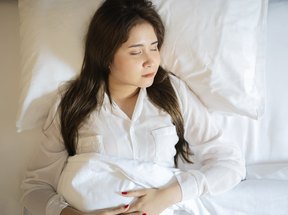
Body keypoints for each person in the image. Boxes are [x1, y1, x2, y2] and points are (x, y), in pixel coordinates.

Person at [21, 0, 246, 214]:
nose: (151, 61)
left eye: (154, 47)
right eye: (136, 52)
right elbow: (35, 186)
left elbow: (230, 163)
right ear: (106, 56)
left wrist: (168, 196)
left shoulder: (172, 93)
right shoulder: (73, 102)